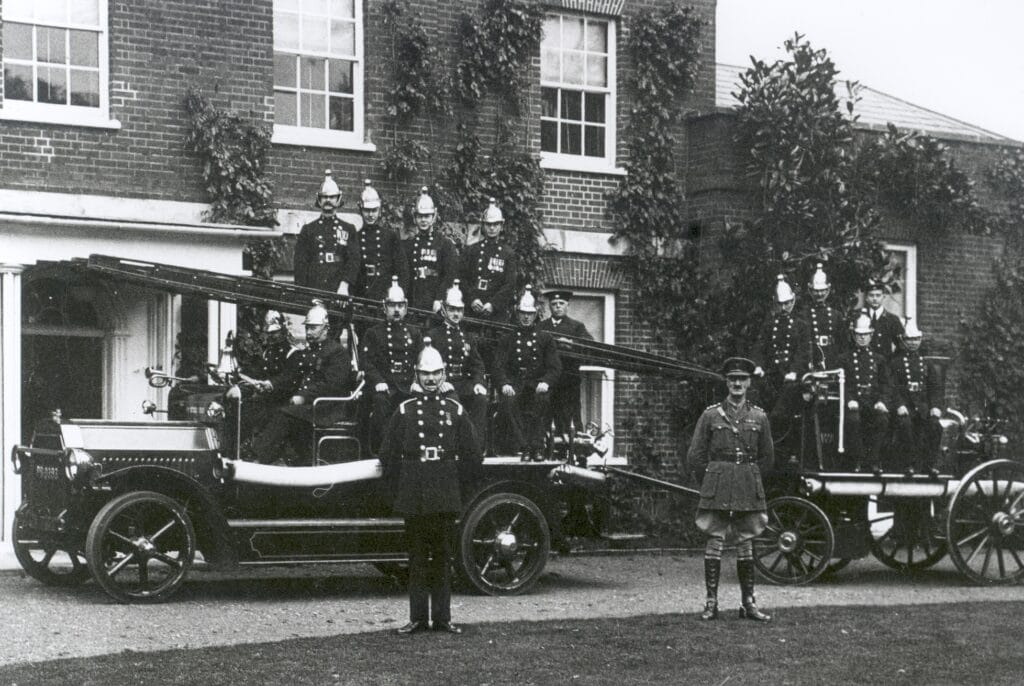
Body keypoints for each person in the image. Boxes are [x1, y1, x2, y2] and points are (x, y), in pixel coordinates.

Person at [381, 340, 483, 636]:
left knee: (442, 557)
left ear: (444, 374)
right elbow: (387, 455)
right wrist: (401, 488)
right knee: (415, 557)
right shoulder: (404, 410)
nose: (430, 379)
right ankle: (416, 618)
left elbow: (472, 456)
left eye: (436, 373)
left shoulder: (455, 409)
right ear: (416, 374)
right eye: (425, 374)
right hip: (413, 490)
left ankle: (442, 618)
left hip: (444, 489)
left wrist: (456, 487)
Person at [686, 357, 773, 623]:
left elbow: (767, 457)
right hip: (718, 483)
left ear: (749, 383)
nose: (737, 383)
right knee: (714, 540)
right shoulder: (711, 415)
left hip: (747, 482)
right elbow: (695, 455)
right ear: (726, 382)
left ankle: (749, 602)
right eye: (732, 378)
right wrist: (713, 477)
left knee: (746, 541)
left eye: (742, 379)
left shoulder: (759, 416)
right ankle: (711, 603)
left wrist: (750, 477)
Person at [248, 300, 357, 465]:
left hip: (326, 407)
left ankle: (260, 459)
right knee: (263, 406)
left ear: (325, 328)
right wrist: (271, 384)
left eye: (313, 328)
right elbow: (292, 377)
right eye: (307, 327)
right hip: (307, 406)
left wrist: (304, 397)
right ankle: (264, 456)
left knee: (284, 414)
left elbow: (331, 386)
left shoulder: (337, 353)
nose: (308, 332)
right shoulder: (307, 352)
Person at [492, 286, 561, 461]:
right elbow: (498, 366)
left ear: (535, 314)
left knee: (542, 400)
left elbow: (555, 367)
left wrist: (546, 382)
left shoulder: (545, 339)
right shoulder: (507, 339)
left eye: (529, 313)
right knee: (507, 402)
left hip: (536, 383)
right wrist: (504, 383)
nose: (526, 317)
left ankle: (536, 447)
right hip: (514, 383)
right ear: (517, 313)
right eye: (523, 312)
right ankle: (525, 446)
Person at [361, 277, 423, 454]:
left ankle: (414, 450)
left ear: (406, 307)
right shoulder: (373, 333)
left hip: (407, 385)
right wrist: (378, 380)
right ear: (384, 307)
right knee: (380, 402)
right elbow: (367, 362)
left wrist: (417, 381)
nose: (397, 310)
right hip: (384, 385)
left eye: (400, 306)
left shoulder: (414, 333)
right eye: (392, 305)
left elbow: (421, 360)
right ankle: (382, 450)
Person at [752, 275, 809, 464]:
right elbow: (760, 346)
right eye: (780, 304)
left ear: (793, 301)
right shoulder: (770, 325)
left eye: (787, 304)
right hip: (772, 375)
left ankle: (779, 446)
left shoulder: (801, 325)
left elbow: (803, 353)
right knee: (757, 394)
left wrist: (794, 371)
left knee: (783, 405)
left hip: (792, 379)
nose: (784, 308)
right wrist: (758, 365)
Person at [426, 280, 488, 437]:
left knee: (481, 399)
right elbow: (427, 364)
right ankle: (457, 442)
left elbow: (477, 365)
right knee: (453, 402)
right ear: (444, 310)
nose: (456, 314)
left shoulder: (467, 337)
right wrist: (439, 382)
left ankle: (475, 445)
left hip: (463, 381)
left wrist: (479, 383)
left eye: (459, 310)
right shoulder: (433, 335)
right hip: (444, 383)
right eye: (452, 309)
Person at [837, 311, 892, 473]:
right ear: (853, 335)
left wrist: (882, 401)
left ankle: (874, 460)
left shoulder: (879, 359)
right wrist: (849, 399)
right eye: (859, 335)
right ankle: (857, 460)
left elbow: (886, 384)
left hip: (873, 400)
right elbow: (842, 383)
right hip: (855, 400)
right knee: (853, 420)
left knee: (882, 419)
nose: (862, 338)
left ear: (871, 335)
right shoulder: (844, 358)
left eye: (866, 334)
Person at [539, 289, 594, 445]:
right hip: (547, 382)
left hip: (568, 381)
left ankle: (574, 453)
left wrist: (571, 344)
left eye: (561, 303)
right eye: (554, 304)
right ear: (549, 306)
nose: (558, 307)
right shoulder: (542, 327)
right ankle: (544, 450)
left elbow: (590, 347)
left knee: (569, 420)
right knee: (546, 418)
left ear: (567, 305)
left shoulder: (577, 327)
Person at [890, 318, 943, 476]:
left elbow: (935, 388)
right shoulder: (896, 363)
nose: (913, 343)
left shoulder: (927, 364)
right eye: (909, 339)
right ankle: (909, 464)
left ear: (920, 340)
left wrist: (935, 406)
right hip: (904, 406)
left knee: (935, 426)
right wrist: (899, 404)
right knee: (905, 425)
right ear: (904, 341)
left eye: (916, 339)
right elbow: (892, 387)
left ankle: (930, 464)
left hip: (922, 407)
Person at [343, 179, 410, 302]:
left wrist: (398, 295)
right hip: (360, 293)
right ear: (361, 210)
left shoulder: (390, 236)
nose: (370, 215)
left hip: (384, 293)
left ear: (379, 211)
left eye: (374, 210)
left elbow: (402, 270)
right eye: (367, 211)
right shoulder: (355, 237)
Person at [293, 170, 359, 296]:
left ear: (338, 199)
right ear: (319, 199)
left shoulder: (349, 229)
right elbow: (300, 265)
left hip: (340, 290)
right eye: (324, 197)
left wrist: (345, 286)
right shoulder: (308, 230)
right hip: (315, 288)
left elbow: (353, 261)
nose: (328, 200)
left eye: (332, 197)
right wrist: (303, 293)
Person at [461, 198, 518, 322]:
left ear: (501, 226)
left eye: (495, 224)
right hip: (472, 310)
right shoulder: (471, 251)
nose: (492, 228)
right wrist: (472, 299)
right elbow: (463, 278)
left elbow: (509, 284)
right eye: (488, 224)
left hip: (496, 313)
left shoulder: (508, 253)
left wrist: (493, 304)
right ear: (483, 225)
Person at [404, 187, 459, 313]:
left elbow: (450, 275)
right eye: (420, 216)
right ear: (414, 217)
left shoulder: (445, 244)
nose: (423, 220)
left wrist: (440, 298)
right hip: (414, 299)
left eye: (427, 216)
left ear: (434, 216)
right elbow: (406, 275)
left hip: (435, 300)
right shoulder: (409, 245)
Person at [799, 263, 845, 370]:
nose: (819, 294)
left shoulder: (836, 315)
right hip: (811, 356)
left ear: (828, 290)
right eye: (816, 291)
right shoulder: (803, 314)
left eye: (822, 290)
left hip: (832, 357)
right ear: (810, 290)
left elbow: (842, 343)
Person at [863, 278, 905, 359]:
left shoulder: (892, 319)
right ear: (866, 298)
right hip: (864, 363)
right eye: (871, 295)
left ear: (884, 297)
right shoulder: (860, 316)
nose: (874, 298)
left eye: (878, 295)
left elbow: (901, 344)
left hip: (885, 363)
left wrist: (892, 361)